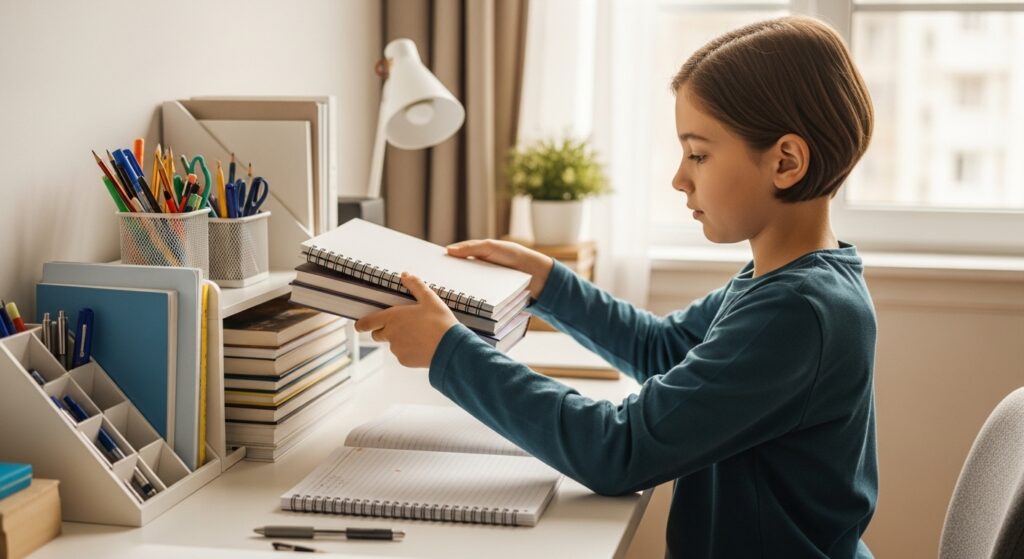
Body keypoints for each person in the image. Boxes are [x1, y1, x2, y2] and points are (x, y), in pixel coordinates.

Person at [355, 15, 877, 558]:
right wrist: (547, 281)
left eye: (698, 153)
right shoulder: (784, 282)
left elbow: (618, 451)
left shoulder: (796, 310)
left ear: (785, 162)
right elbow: (663, 349)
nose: (680, 177)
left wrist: (449, 353)